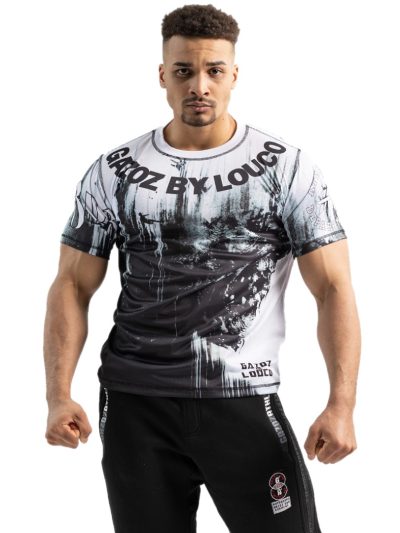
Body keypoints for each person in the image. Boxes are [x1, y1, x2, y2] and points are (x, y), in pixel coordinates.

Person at [43, 4, 361, 532]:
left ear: (234, 74)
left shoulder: (285, 168)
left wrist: (341, 404)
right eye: (184, 71)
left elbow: (333, 287)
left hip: (240, 397)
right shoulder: (115, 171)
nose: (199, 86)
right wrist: (58, 396)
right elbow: (72, 285)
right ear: (162, 75)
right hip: (135, 402)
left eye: (214, 70)